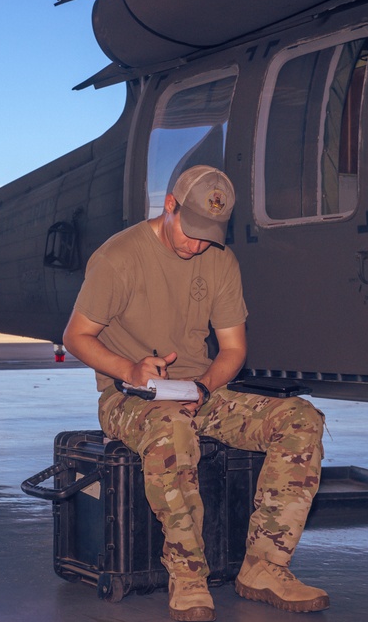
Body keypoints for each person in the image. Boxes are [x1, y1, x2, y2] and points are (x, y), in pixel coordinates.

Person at [62, 166, 327, 621]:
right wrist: (131, 369)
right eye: (191, 231)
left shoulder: (219, 261)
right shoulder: (118, 259)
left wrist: (203, 386)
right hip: (129, 398)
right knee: (171, 431)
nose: (197, 244)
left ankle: (265, 567)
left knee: (300, 419)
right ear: (169, 206)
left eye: (209, 235)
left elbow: (234, 349)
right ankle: (187, 575)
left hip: (197, 390)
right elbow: (76, 336)